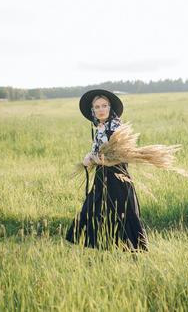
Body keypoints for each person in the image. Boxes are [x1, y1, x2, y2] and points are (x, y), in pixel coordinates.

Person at [65, 89, 149, 252]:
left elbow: (126, 155)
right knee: (93, 209)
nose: (101, 109)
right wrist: (89, 157)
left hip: (118, 178)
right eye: (97, 107)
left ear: (110, 108)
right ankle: (102, 247)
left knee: (123, 213)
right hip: (101, 177)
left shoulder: (117, 128)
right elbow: (99, 152)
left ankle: (134, 251)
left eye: (104, 105)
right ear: (93, 110)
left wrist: (107, 162)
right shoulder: (100, 128)